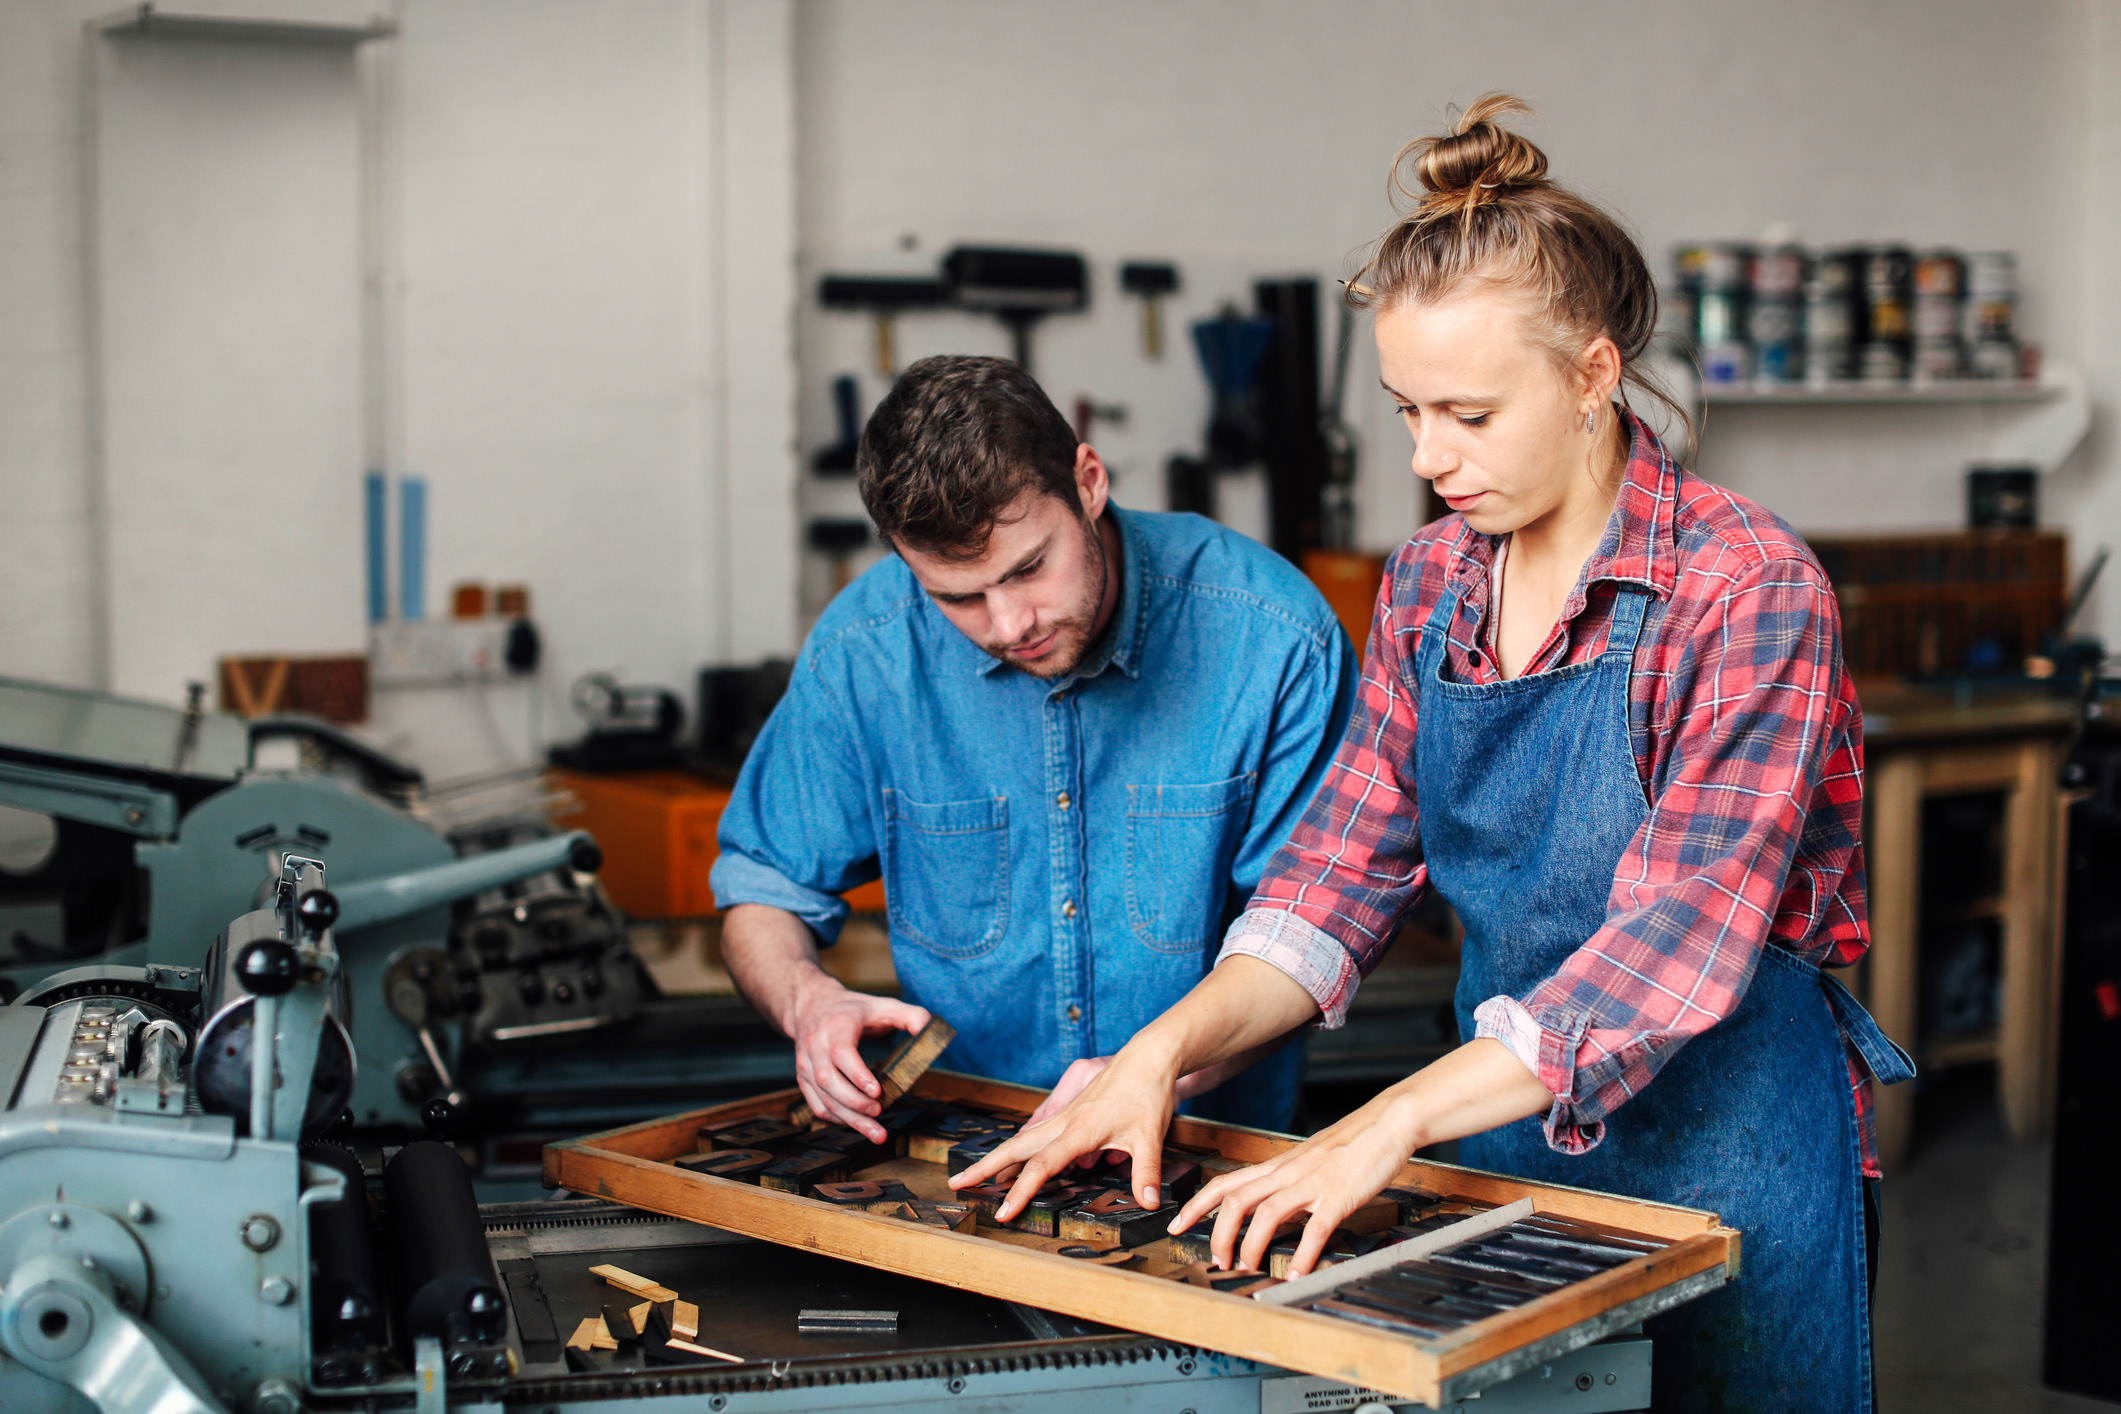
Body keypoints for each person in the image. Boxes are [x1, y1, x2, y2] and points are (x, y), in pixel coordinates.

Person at [956, 97, 1912, 1413]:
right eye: (1408, 410)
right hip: (1503, 1127)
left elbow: (1671, 950)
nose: (1426, 458)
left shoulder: (1744, 590)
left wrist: (1382, 1122)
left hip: (1725, 1140)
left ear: (1591, 372)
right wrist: (1159, 1053)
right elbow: (1334, 876)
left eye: (1466, 413)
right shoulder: (1428, 586)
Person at [712, 354, 1356, 1144]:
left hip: (1210, 1155)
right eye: (957, 596)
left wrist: (1154, 1069)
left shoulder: (1271, 637)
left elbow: (1317, 931)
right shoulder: (864, 653)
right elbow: (765, 883)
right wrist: (806, 1000)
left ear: (1088, 481)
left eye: (1027, 569)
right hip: (956, 1153)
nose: (1009, 623)